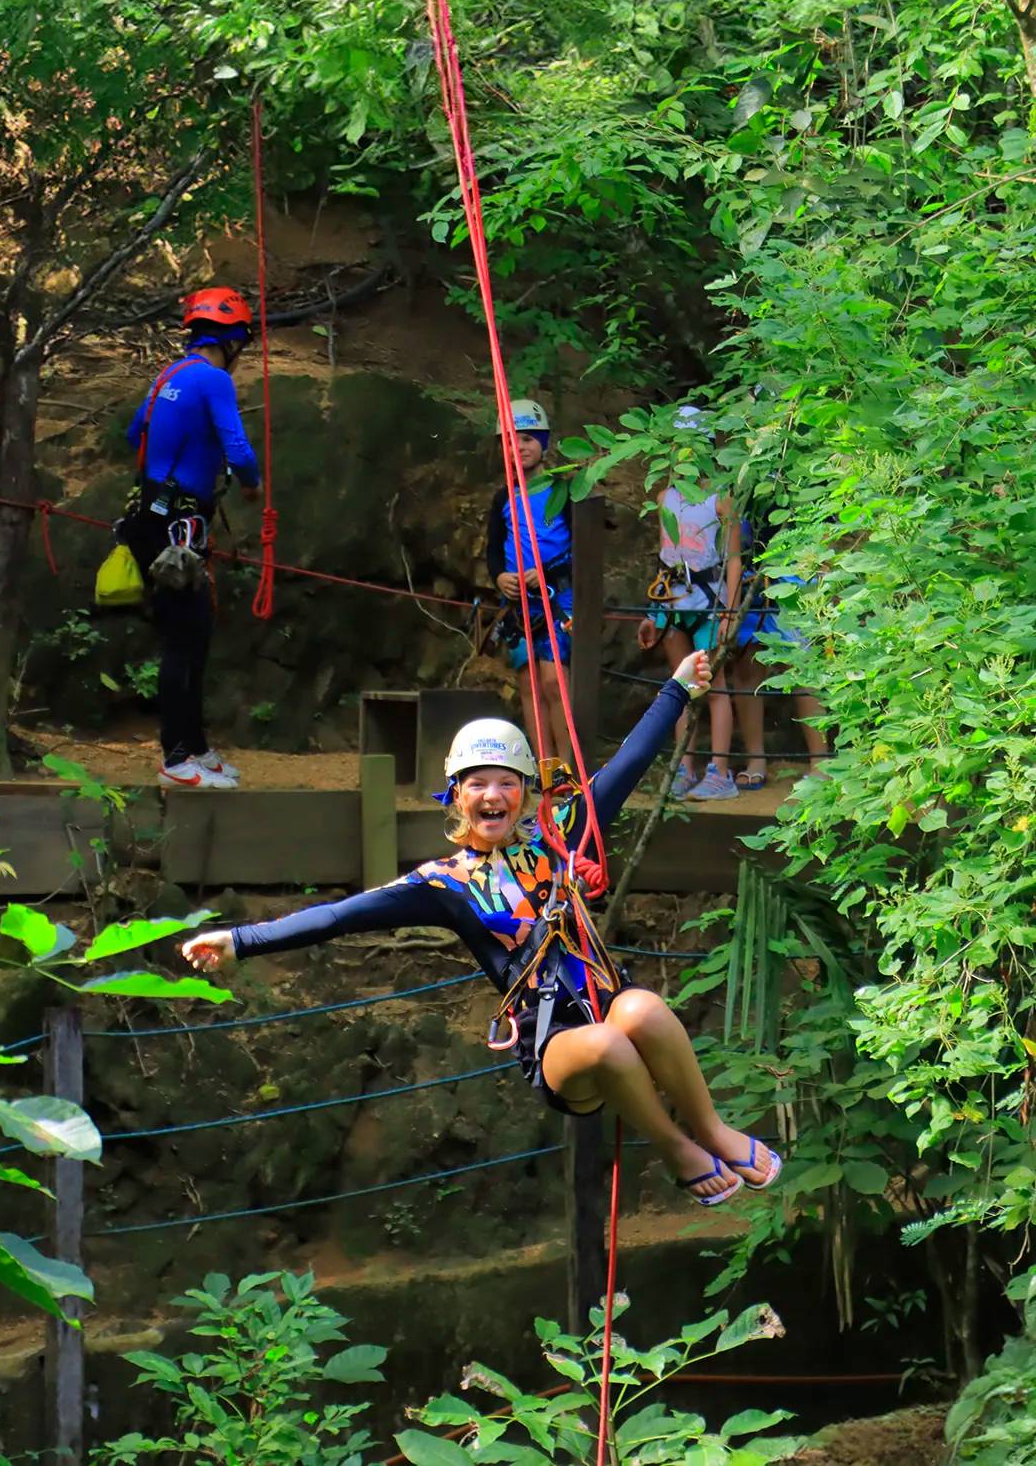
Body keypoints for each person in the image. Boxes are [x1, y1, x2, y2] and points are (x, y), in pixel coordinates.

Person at [182, 653, 782, 1207]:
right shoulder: (444, 884)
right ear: (457, 797)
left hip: (608, 1001)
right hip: (556, 1045)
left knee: (644, 1011)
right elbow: (341, 916)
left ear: (524, 794)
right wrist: (241, 941)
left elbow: (628, 764)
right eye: (477, 783)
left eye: (506, 783)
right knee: (605, 1044)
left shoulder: (560, 834)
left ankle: (711, 1130)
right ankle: (678, 1150)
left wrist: (677, 687)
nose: (492, 795)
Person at [123, 287, 261, 790]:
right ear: (232, 340)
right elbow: (239, 448)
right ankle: (176, 756)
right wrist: (252, 485)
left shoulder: (168, 376)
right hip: (180, 525)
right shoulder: (213, 379)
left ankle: (196, 747)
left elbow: (133, 433)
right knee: (185, 639)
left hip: (151, 517)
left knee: (192, 634)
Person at [636, 407, 742, 801]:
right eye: (680, 445)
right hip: (674, 602)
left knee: (715, 686)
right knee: (680, 685)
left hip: (710, 601)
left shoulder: (720, 499)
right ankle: (684, 767)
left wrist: (730, 611)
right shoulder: (665, 498)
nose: (686, 453)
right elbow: (665, 559)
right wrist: (653, 614)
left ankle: (720, 771)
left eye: (694, 444)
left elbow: (733, 560)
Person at [486, 399, 572, 762]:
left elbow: (582, 545)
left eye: (527, 439)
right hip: (519, 604)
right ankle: (545, 767)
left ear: (543, 443)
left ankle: (568, 768)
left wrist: (548, 573)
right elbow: (493, 547)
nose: (519, 447)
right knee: (529, 685)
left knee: (556, 683)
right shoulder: (504, 497)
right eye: (510, 440)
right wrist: (499, 577)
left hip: (557, 598)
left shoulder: (563, 491)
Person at [731, 508, 828, 788]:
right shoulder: (743, 475)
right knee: (746, 662)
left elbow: (825, 524)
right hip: (749, 572)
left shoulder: (806, 475)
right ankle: (755, 759)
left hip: (796, 573)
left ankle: (820, 762)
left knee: (802, 666)